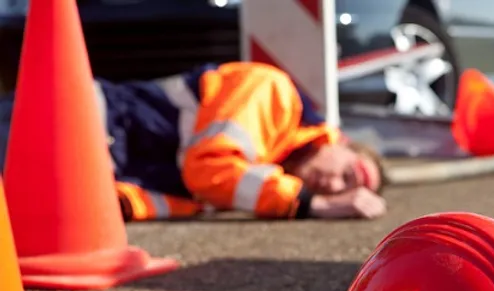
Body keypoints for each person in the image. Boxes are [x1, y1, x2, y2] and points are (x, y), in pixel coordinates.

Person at [0, 61, 388, 221]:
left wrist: (106, 205)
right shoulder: (275, 93)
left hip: (85, 168)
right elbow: (208, 169)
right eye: (347, 174)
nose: (334, 186)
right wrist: (312, 204)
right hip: (74, 120)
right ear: (342, 142)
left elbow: (179, 196)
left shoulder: (261, 174)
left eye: (343, 190)